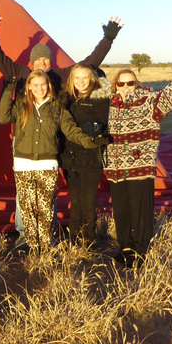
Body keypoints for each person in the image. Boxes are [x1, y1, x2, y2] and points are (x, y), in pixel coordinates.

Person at [0, 7, 122, 245]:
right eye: (38, 59)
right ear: (32, 62)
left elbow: (89, 64)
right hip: (24, 140)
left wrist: (108, 38)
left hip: (52, 140)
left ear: (50, 61)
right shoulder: (20, 73)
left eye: (46, 59)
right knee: (25, 194)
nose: (42, 63)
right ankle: (26, 234)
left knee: (48, 190)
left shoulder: (59, 76)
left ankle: (49, 233)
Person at [105, 59, 172, 267]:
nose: (126, 87)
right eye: (121, 83)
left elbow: (171, 96)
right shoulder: (108, 105)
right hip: (115, 168)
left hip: (139, 166)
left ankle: (140, 250)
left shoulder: (148, 101)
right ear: (115, 85)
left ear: (137, 84)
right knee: (121, 209)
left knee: (141, 210)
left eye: (130, 83)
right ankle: (125, 246)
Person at [0, 70, 105, 252]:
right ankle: (32, 245)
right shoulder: (22, 105)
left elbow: (71, 130)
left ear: (48, 85)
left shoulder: (56, 107)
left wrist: (89, 141)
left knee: (46, 208)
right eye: (35, 85)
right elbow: (2, 117)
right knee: (28, 209)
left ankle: (46, 245)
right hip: (23, 163)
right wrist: (9, 89)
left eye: (43, 84)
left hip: (47, 164)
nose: (40, 88)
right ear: (29, 87)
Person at [59, 64, 111, 243]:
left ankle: (89, 239)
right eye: (77, 78)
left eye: (85, 78)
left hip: (91, 157)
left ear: (92, 79)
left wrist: (95, 131)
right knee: (76, 199)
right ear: (71, 80)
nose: (81, 82)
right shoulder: (67, 99)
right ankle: (74, 238)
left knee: (88, 200)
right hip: (70, 157)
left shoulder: (100, 99)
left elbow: (106, 125)